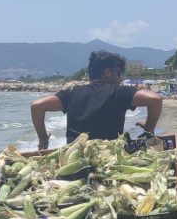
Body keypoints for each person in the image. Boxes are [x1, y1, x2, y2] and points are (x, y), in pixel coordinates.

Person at [30, 50, 162, 150]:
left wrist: (43, 139)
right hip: (108, 158)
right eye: (119, 73)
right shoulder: (118, 92)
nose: (120, 79)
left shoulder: (71, 94)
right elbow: (155, 99)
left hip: (74, 160)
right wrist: (149, 129)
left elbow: (37, 106)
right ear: (108, 73)